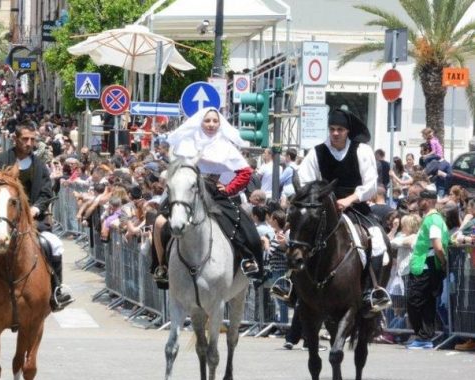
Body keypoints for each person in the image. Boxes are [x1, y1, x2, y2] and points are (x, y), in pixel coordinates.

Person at [272, 108, 391, 316]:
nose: (335, 133)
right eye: (332, 129)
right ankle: (290, 284)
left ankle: (373, 291)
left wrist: (350, 199)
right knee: (295, 238)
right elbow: (305, 182)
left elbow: (371, 184)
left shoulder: (361, 150)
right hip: (323, 210)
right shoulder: (317, 152)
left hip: (356, 208)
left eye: (340, 129)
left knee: (378, 239)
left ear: (347, 131)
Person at [0, 121, 74, 312]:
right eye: (25, 139)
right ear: (15, 139)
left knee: (53, 244)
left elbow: (46, 192)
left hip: (32, 219)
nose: (29, 143)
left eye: (32, 140)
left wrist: (36, 208)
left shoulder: (39, 165)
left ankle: (56, 290)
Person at [151, 107, 264, 285]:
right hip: (186, 193)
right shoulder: (186, 144)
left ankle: (250, 260)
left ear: (220, 124)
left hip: (215, 193)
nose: (211, 124)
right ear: (200, 122)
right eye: (207, 121)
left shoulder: (226, 146)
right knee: (158, 224)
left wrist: (228, 189)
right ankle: (161, 266)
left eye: (215, 121)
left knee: (243, 223)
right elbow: (175, 169)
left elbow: (245, 172)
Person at [405, 188, 448, 349]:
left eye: (421, 200)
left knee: (415, 301)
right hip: (425, 266)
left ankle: (423, 337)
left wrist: (443, 262)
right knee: (426, 303)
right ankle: (425, 337)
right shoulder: (432, 219)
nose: (418, 203)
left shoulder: (433, 220)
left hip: (426, 267)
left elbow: (437, 245)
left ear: (428, 201)